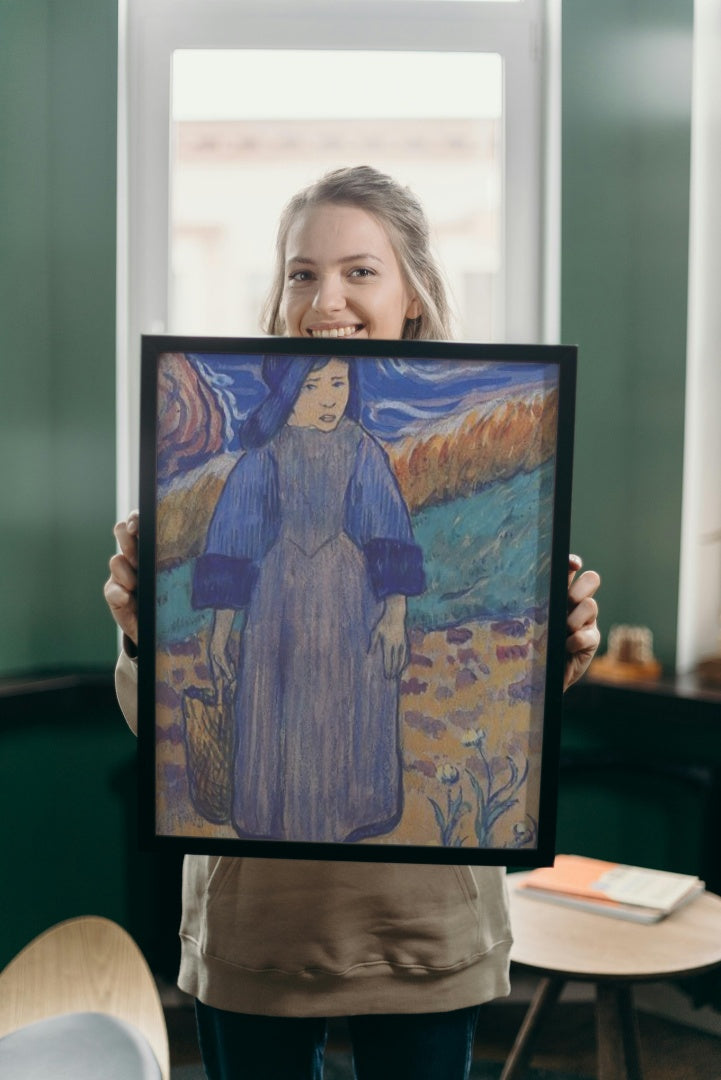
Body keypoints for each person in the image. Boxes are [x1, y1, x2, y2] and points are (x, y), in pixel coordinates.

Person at [105, 165, 601, 1080]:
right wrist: (157, 634)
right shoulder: (249, 461)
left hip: (422, 929)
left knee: (346, 718)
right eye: (301, 272)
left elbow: (391, 542)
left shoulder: (388, 452)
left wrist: (552, 654)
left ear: (412, 293)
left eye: (359, 271)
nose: (324, 297)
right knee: (280, 723)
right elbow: (168, 695)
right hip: (257, 929)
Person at [193, 353, 424, 843]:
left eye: (338, 384)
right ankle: (275, 816)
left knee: (346, 703)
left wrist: (395, 613)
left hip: (350, 600)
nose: (328, 399)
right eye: (312, 387)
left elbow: (387, 531)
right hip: (278, 600)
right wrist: (220, 632)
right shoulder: (265, 456)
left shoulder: (361, 448)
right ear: (286, 394)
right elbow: (234, 543)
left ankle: (350, 813)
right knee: (279, 704)